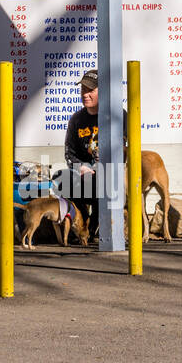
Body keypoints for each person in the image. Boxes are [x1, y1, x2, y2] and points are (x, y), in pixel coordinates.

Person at [62, 68, 127, 244]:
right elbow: (70, 152)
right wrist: (80, 167)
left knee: (104, 180)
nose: (85, 94)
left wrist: (100, 168)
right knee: (61, 180)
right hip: (85, 173)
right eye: (83, 90)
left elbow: (123, 150)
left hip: (110, 173)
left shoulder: (118, 115)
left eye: (90, 90)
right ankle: (83, 223)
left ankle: (98, 228)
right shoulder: (77, 119)